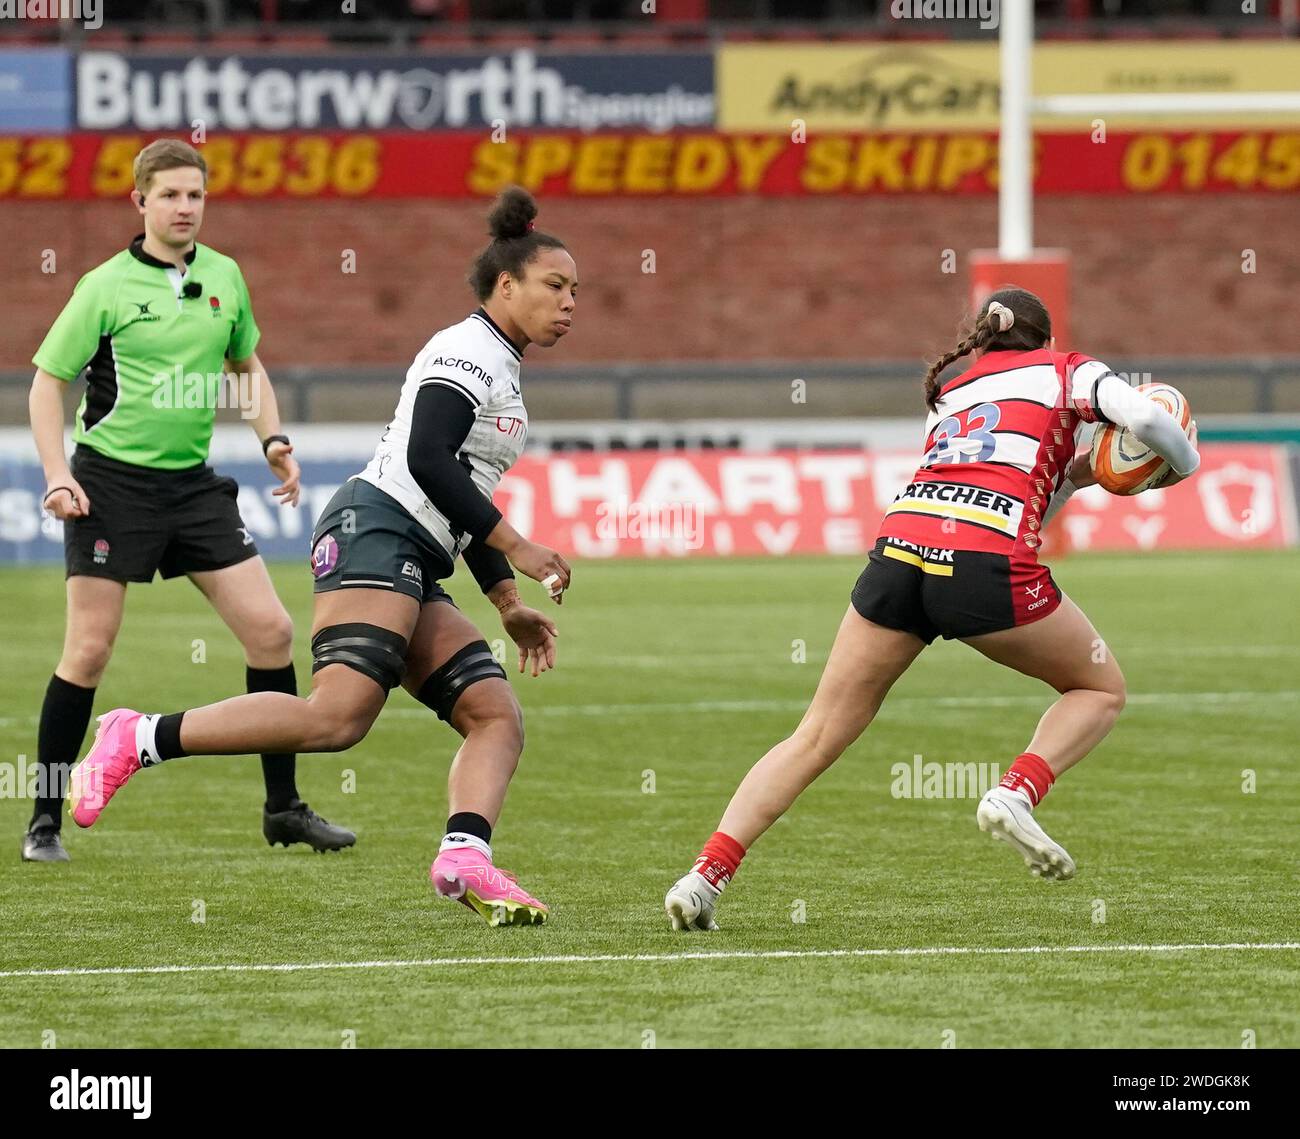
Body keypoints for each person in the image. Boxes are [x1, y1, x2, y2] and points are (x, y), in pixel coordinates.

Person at [63, 186, 577, 928]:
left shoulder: (504, 368)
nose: (569, 303)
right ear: (506, 284)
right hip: (377, 526)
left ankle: (465, 854)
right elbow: (428, 460)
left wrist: (504, 602)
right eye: (555, 286)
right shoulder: (466, 349)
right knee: (336, 717)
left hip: (414, 547)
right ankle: (137, 735)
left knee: (495, 713)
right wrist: (518, 546)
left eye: (575, 291)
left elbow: (463, 485)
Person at [664, 286, 1201, 931]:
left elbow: (1027, 482)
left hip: (900, 553)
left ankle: (704, 876)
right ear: (1047, 340)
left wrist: (1087, 471)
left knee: (815, 734)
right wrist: (1186, 460)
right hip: (980, 558)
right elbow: (1144, 420)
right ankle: (1016, 793)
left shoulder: (955, 390)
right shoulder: (1068, 370)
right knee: (1098, 687)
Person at [23, 138, 353, 862]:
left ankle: (283, 808)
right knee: (88, 649)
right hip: (109, 484)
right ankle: (44, 819)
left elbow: (247, 364)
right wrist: (58, 473)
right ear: (139, 202)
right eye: (169, 195)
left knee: (271, 633)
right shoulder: (104, 286)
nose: (184, 208)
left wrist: (274, 440)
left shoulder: (225, 277)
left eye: (194, 195)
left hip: (193, 486)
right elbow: (48, 384)